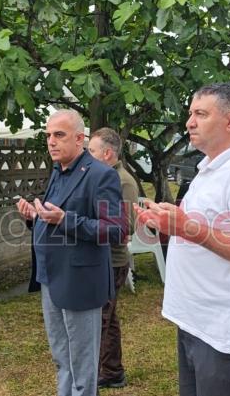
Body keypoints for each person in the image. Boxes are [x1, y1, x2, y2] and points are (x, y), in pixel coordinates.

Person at [135, 83, 230, 396]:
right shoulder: (208, 170)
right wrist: (165, 223)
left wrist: (187, 227)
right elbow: (199, 231)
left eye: (200, 114)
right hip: (195, 319)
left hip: (222, 329)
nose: (189, 122)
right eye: (190, 113)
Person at [16, 109, 126, 396]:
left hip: (80, 283)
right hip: (51, 277)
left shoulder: (101, 175)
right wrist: (35, 217)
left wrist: (65, 220)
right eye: (48, 135)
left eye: (59, 135)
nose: (51, 141)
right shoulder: (58, 170)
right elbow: (55, 217)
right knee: (61, 357)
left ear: (80, 138)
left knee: (82, 362)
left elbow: (115, 230)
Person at [86, 127, 138, 389]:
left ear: (107, 154)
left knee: (99, 321)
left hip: (113, 261)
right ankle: (113, 372)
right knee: (109, 318)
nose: (87, 155)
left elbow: (126, 226)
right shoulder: (103, 176)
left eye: (91, 151)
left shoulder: (122, 181)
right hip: (101, 258)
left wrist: (85, 225)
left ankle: (90, 380)